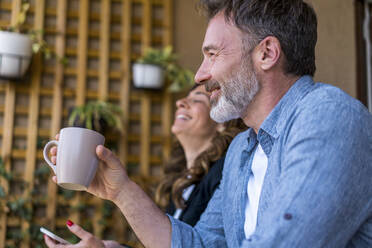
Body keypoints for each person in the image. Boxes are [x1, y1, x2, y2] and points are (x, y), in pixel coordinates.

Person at [45, 0, 372, 247]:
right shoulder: (242, 149)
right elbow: (201, 244)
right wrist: (120, 191)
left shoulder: (327, 116)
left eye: (212, 55)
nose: (200, 75)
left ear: (267, 53)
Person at [43, 85, 246, 247]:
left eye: (196, 100)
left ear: (222, 121)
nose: (180, 102)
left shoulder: (226, 172)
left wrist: (121, 192)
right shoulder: (180, 182)